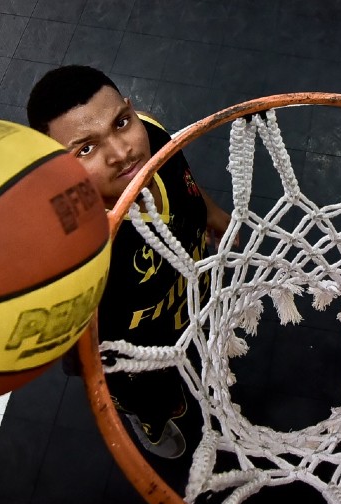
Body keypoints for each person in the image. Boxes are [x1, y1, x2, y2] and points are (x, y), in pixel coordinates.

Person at [26, 66, 232, 459]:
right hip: (137, 356)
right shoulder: (74, 256)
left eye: (122, 122)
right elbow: (75, 346)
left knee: (200, 352)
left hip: (191, 298)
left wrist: (210, 212)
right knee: (159, 400)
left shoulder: (153, 137)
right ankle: (150, 421)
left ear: (132, 110)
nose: (123, 153)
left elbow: (184, 180)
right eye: (85, 149)